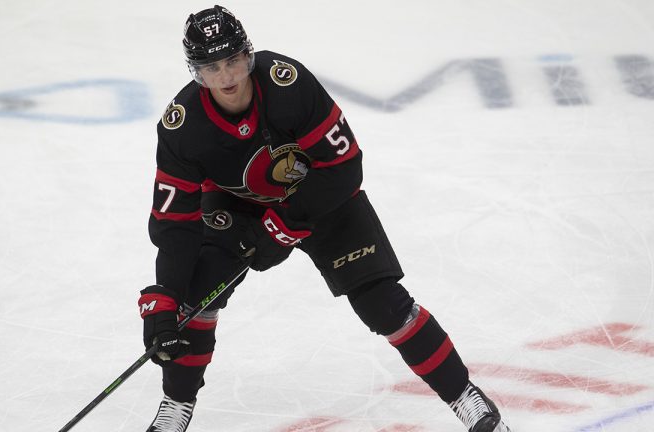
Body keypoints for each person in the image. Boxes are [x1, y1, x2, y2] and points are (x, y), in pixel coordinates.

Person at [139, 5, 512, 432]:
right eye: (211, 67)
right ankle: (176, 404)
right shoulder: (181, 127)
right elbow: (175, 225)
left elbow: (345, 165)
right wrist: (165, 297)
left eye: (234, 61)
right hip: (236, 204)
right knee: (195, 298)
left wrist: (284, 224)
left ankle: (466, 397)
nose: (227, 77)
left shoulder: (288, 84)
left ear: (249, 54)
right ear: (195, 72)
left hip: (319, 193)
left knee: (384, 304)